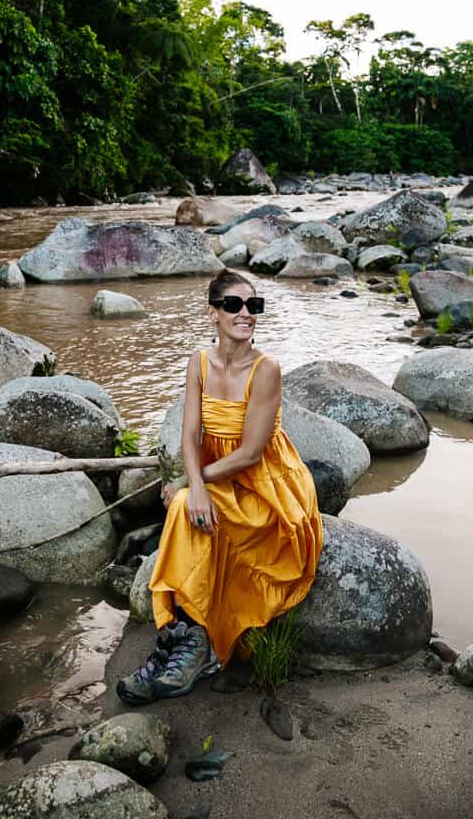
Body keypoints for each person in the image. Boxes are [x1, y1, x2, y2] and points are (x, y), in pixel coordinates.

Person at [117, 269, 323, 705]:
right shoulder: (198, 363)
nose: (246, 313)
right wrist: (194, 483)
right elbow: (189, 436)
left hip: (266, 484)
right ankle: (187, 638)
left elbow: (250, 454)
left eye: (254, 306)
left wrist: (195, 484)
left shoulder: (266, 370)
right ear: (212, 312)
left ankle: (191, 645)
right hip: (216, 474)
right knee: (184, 511)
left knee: (190, 511)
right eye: (234, 305)